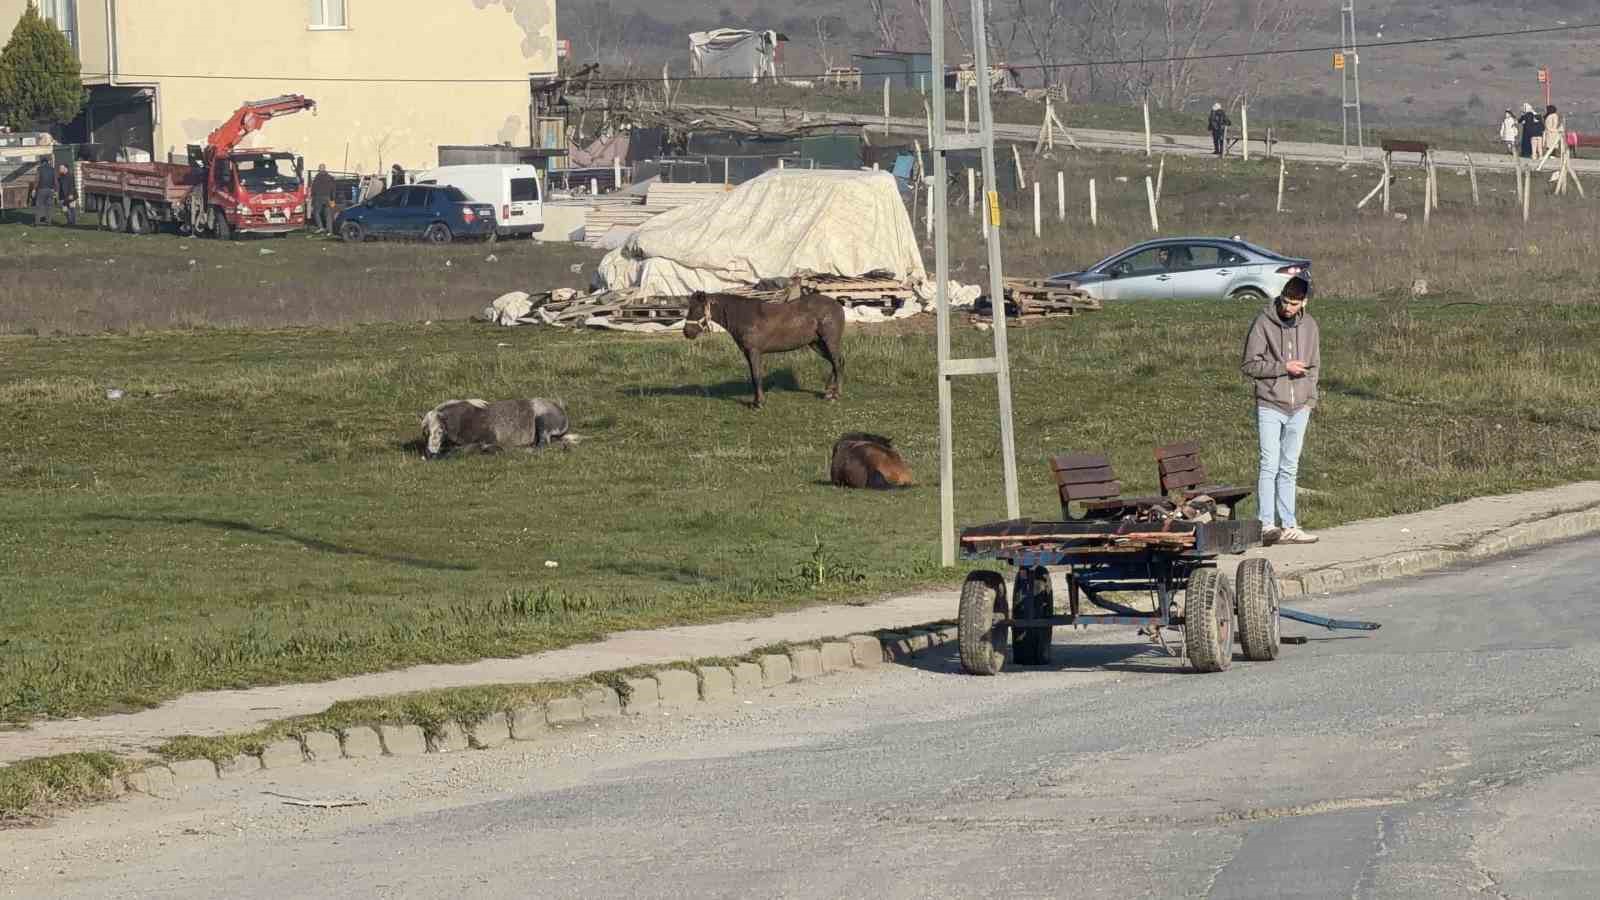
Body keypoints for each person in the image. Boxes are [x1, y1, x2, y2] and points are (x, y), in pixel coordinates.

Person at [1241, 276, 1320, 545]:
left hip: (1300, 406)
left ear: (1304, 303)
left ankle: (1289, 525)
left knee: (1290, 467)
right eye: (1286, 301)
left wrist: (1310, 397)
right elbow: (1250, 365)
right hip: (1270, 403)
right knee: (1269, 464)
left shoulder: (1310, 325)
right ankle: (1266, 524)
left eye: (1294, 303)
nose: (1288, 307)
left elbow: (1315, 365)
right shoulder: (1263, 322)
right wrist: (1283, 367)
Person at [310, 164, 337, 234]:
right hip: (328, 198)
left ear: (319, 169)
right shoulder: (330, 177)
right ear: (325, 169)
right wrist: (332, 199)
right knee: (328, 215)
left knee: (316, 213)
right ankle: (329, 231)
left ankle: (321, 227)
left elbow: (313, 188)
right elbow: (333, 189)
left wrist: (312, 198)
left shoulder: (317, 177)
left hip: (319, 197)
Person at [32, 158, 58, 226]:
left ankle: (37, 222)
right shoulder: (52, 169)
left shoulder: (39, 169)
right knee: (49, 206)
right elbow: (55, 181)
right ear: (47, 162)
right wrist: (56, 190)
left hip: (41, 189)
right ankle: (49, 222)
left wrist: (34, 189)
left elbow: (37, 180)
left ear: (42, 163)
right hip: (50, 190)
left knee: (39, 206)